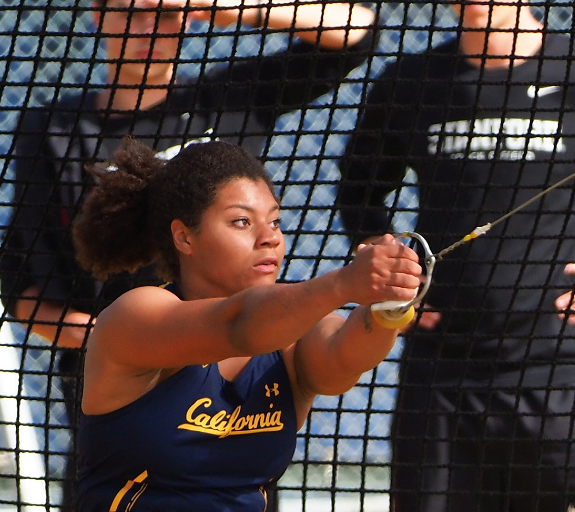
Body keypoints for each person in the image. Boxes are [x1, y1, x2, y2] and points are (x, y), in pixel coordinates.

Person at [0, 0, 376, 508]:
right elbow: (24, 282)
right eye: (132, 12)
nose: (150, 27)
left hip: (240, 388)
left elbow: (356, 31)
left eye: (168, 12)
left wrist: (231, 9)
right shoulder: (55, 129)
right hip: (128, 396)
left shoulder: (225, 98)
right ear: (97, 15)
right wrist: (127, 346)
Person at [69, 137, 422, 511]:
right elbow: (238, 326)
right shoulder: (137, 315)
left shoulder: (288, 336)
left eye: (274, 221)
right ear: (184, 236)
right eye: (242, 222)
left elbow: (342, 361)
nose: (269, 237)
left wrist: (390, 306)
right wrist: (344, 282)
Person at [337, 0, 575, 510]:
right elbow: (359, 191)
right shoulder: (412, 81)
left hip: (560, 367)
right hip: (444, 371)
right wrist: (389, 269)